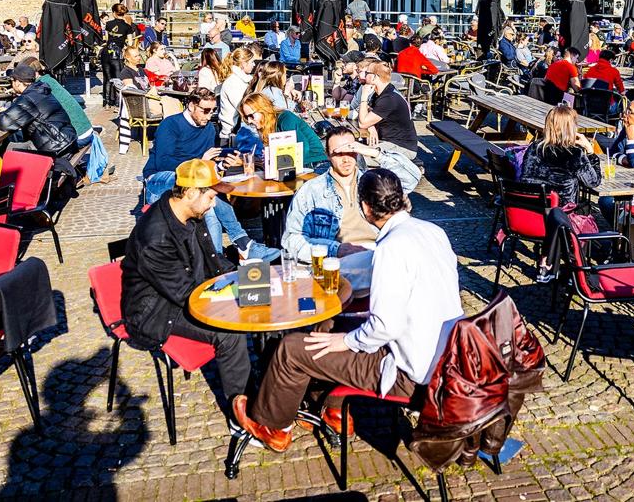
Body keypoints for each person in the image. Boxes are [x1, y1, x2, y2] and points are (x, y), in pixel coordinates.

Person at [237, 168, 462, 451]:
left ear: (366, 208)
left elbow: (385, 327)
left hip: (410, 374)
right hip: (448, 358)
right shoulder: (432, 231)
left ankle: (274, 428)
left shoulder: (391, 249)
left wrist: (345, 341)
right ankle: (331, 408)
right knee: (331, 326)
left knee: (291, 349)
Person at [121, 159, 255, 433]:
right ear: (191, 192)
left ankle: (260, 386)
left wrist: (242, 277)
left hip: (185, 292)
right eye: (211, 197)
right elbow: (185, 295)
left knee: (258, 302)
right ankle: (239, 416)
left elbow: (213, 261)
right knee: (229, 332)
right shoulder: (155, 237)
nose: (213, 205)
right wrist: (230, 296)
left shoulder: (190, 215)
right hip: (156, 312)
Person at [142, 87, 276, 258]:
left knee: (208, 204)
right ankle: (241, 244)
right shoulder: (170, 124)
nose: (209, 115)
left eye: (213, 111)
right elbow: (163, 163)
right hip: (159, 179)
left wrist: (220, 165)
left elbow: (207, 167)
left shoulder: (209, 129)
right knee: (205, 186)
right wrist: (200, 162)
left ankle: (217, 258)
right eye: (205, 110)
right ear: (191, 106)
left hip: (196, 183)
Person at [282, 127, 389, 262]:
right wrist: (335, 250)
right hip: (337, 261)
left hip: (379, 254)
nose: (346, 159)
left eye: (350, 151)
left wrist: (373, 152)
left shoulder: (376, 183)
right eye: (338, 153)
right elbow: (291, 240)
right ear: (327, 154)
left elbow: (410, 177)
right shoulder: (311, 190)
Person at [519, 104, 602, 208]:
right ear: (571, 128)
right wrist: (590, 151)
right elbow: (594, 182)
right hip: (561, 212)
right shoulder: (574, 154)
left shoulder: (534, 147)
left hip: (531, 208)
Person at [0, 63, 79, 159]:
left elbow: (4, 123)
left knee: (6, 149)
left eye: (12, 81)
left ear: (18, 82)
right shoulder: (41, 89)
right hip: (68, 141)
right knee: (16, 141)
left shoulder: (27, 99)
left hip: (56, 149)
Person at [238, 94, 327, 168]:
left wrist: (275, 159)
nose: (249, 121)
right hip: (300, 166)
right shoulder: (266, 128)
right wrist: (244, 161)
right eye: (246, 117)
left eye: (251, 116)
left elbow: (303, 148)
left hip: (316, 163)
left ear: (263, 110)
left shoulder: (285, 118)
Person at [358, 61, 419, 156]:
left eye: (367, 73)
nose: (364, 76)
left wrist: (364, 97)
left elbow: (362, 123)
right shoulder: (383, 92)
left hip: (401, 147)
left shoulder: (389, 98)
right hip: (388, 143)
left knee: (359, 157)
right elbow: (368, 111)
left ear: (374, 77)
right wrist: (371, 125)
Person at [218, 46, 259, 141]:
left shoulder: (242, 80)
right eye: (252, 62)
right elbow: (243, 108)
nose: (254, 65)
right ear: (244, 64)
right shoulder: (233, 82)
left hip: (239, 132)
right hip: (230, 135)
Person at [102, 3, 134, 107]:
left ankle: (106, 102)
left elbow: (107, 39)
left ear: (114, 13)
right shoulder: (127, 27)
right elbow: (130, 43)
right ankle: (117, 102)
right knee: (117, 78)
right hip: (117, 54)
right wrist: (123, 46)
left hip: (106, 52)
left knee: (107, 77)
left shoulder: (108, 24)